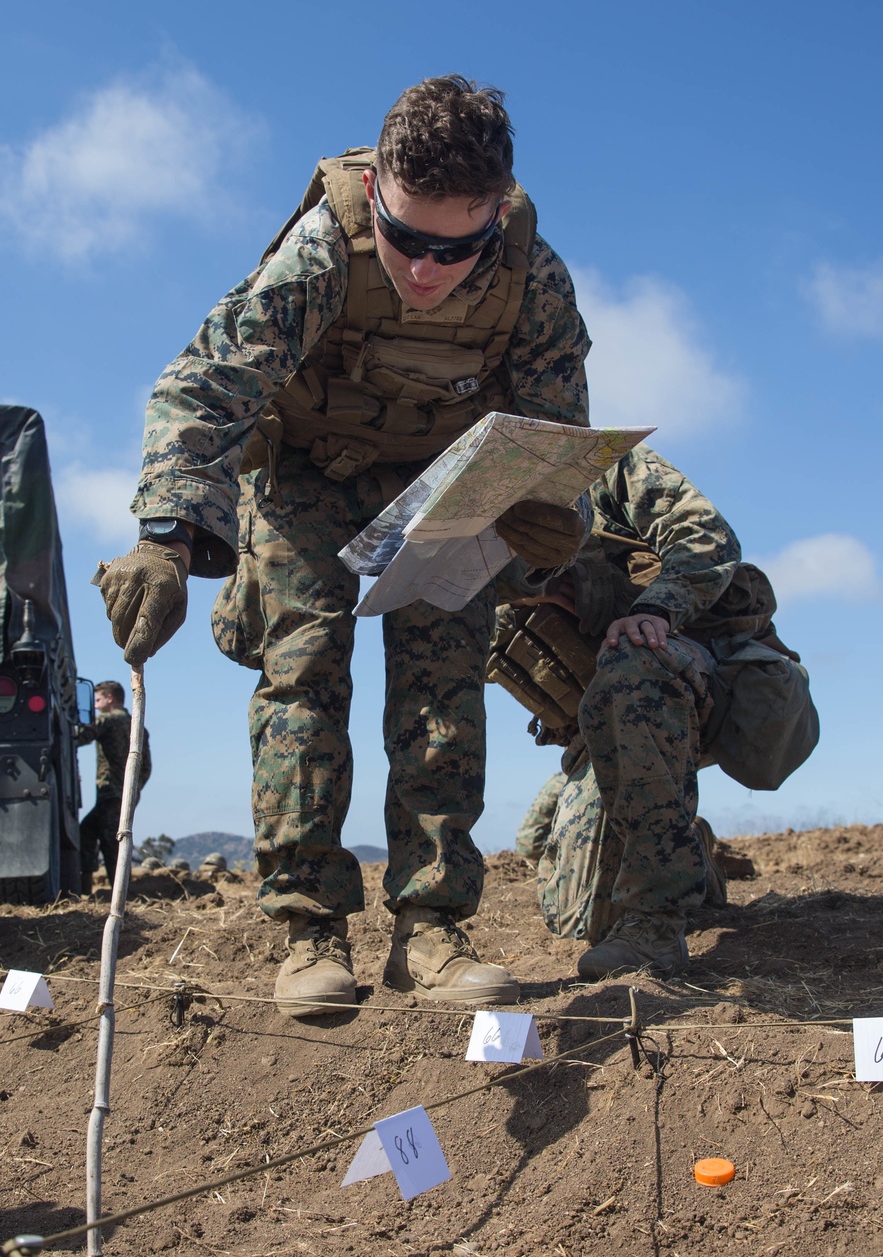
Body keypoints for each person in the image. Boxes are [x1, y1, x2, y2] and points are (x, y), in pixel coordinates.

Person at [97, 75, 592, 1017]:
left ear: (497, 211)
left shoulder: (536, 279)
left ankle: (432, 931)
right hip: (306, 475)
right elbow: (204, 386)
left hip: (438, 485)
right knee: (303, 674)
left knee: (445, 684)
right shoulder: (323, 251)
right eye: (407, 240)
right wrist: (164, 537)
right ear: (378, 198)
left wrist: (543, 509)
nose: (426, 271)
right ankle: (309, 931)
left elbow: (556, 424)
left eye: (458, 248)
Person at [492, 445, 819, 980]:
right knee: (576, 919)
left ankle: (656, 922)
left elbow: (706, 539)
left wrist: (650, 610)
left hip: (687, 669)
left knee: (633, 663)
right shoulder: (447, 529)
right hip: (602, 724)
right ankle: (697, 858)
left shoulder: (593, 466)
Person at [77, 681, 151, 893]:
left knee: (111, 844)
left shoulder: (107, 720)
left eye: (98, 700)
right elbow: (147, 767)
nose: (97, 705)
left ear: (110, 698)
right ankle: (89, 888)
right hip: (124, 795)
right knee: (89, 832)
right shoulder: (138, 726)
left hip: (110, 793)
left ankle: (120, 895)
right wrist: (133, 791)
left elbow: (79, 737)